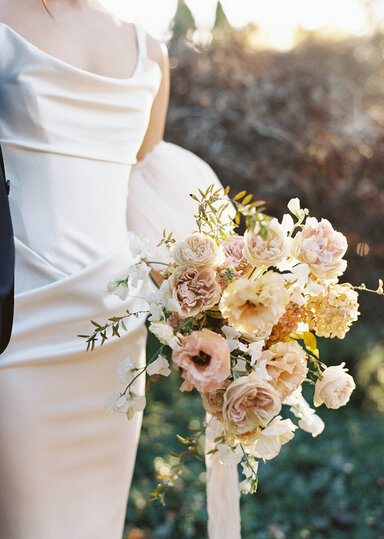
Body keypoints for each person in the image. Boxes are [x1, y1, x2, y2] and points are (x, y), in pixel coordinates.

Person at [0, 0, 241, 537]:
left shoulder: (148, 48)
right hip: (19, 321)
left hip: (114, 325)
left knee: (95, 522)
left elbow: (142, 171)